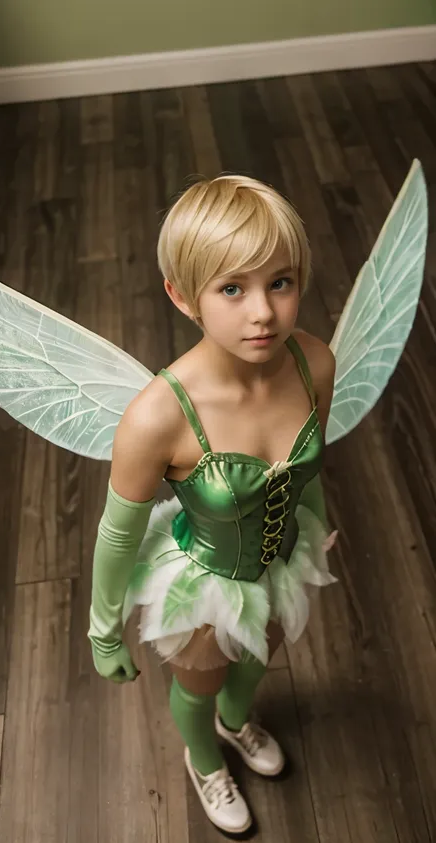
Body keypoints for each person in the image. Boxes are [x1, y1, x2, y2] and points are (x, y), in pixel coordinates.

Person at [88, 174, 338, 834]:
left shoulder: (314, 362)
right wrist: (103, 627)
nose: (263, 312)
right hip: (207, 583)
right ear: (182, 294)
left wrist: (314, 520)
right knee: (200, 680)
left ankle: (238, 721)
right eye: (232, 287)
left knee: (256, 660)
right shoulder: (158, 416)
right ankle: (204, 755)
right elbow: (118, 532)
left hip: (281, 563)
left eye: (280, 282)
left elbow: (310, 460)